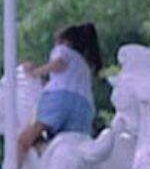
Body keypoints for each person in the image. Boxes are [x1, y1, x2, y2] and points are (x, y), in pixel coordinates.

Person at [15, 23, 103, 159]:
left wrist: (35, 72)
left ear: (66, 41)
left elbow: (60, 63)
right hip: (84, 107)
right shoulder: (84, 66)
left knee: (24, 140)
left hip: (59, 100)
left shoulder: (63, 49)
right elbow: (60, 80)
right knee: (69, 148)